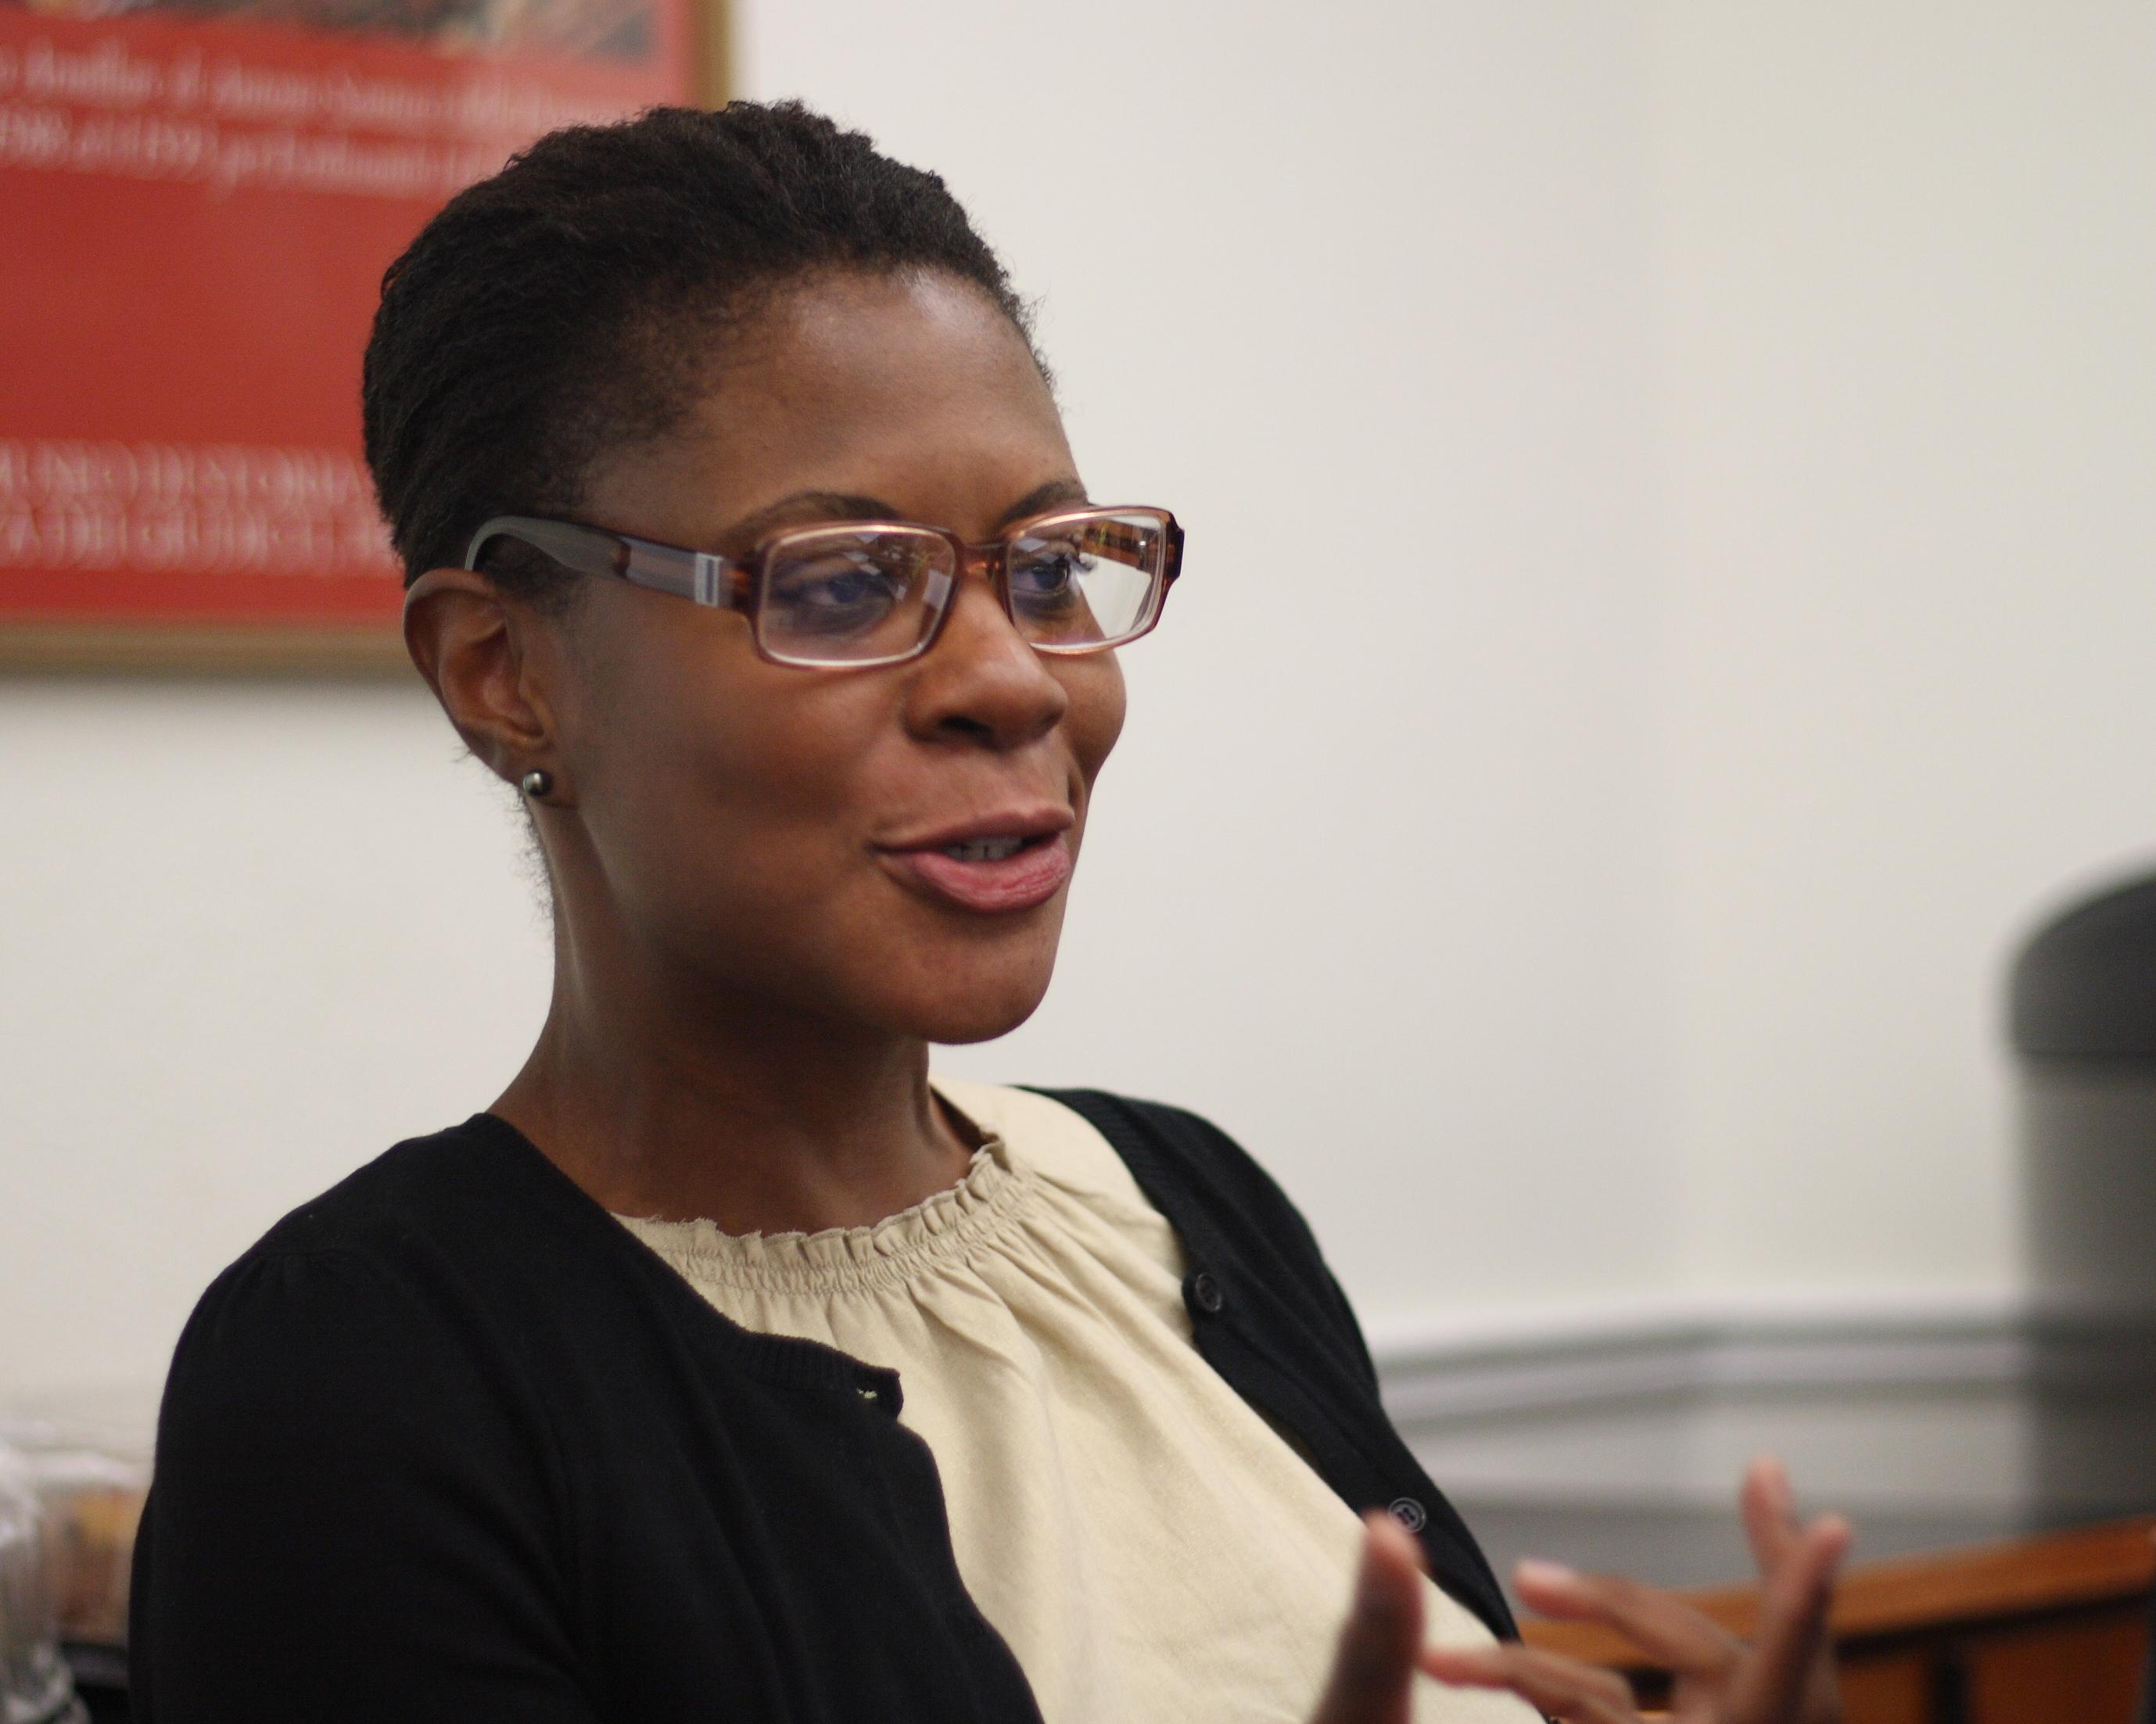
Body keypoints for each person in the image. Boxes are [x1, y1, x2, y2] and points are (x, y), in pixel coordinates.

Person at [127, 101, 1851, 1723]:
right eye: (843, 581)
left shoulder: (1182, 1203)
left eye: (1044, 569)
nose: (1012, 679)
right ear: (505, 673)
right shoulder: (371, 1379)